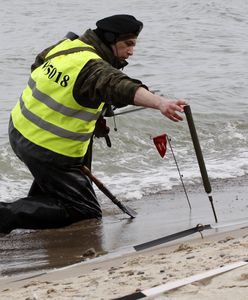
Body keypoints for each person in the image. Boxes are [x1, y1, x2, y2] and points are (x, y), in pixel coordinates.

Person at [1, 14, 186, 234]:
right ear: (110, 39)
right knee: (83, 210)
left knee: (56, 191)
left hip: (20, 129)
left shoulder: (67, 46)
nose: (131, 51)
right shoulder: (93, 68)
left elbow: (38, 66)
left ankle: (37, 213)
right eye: (128, 44)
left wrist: (93, 112)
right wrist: (160, 103)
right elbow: (120, 86)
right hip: (48, 149)